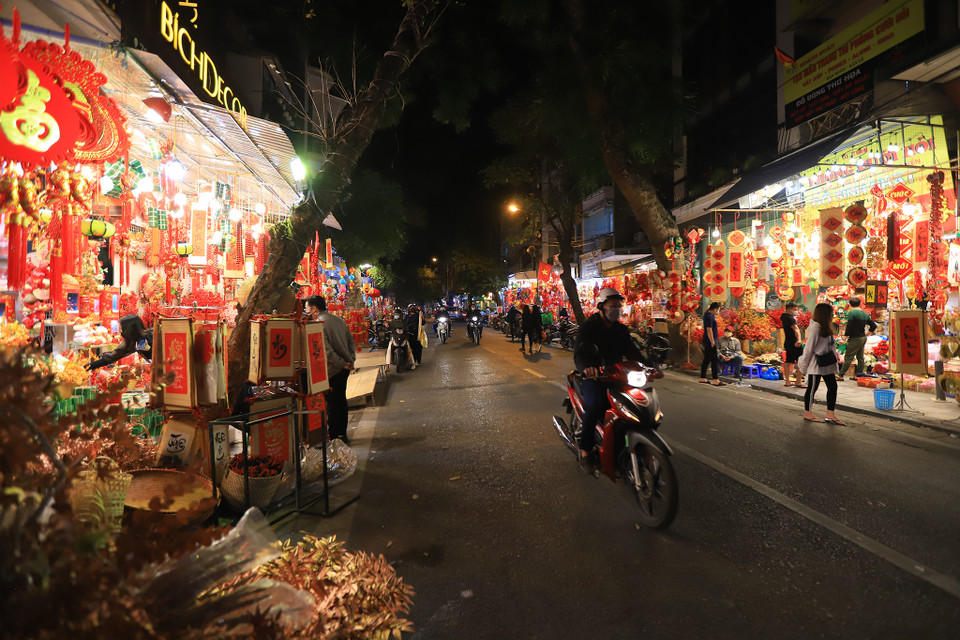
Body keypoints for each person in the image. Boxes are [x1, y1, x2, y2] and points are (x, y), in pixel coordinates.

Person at [573, 288, 645, 470]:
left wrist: (649, 367)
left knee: (635, 405)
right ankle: (585, 451)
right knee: (596, 405)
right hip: (593, 377)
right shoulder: (588, 327)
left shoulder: (621, 329)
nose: (617, 310)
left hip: (617, 376)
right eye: (613, 306)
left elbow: (632, 352)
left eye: (619, 307)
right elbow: (579, 353)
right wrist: (586, 368)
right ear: (602, 307)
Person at [305, 295, 357, 444]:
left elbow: (326, 351)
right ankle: (342, 433)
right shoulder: (338, 320)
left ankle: (335, 437)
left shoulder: (319, 323)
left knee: (333, 404)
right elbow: (351, 341)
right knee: (341, 400)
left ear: (314, 308)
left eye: (308, 308)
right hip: (344, 368)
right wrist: (350, 360)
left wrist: (342, 363)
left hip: (333, 370)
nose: (307, 311)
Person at [798, 302, 845, 425]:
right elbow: (808, 348)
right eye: (831, 313)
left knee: (833, 386)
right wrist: (803, 366)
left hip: (827, 363)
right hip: (816, 363)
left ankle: (830, 413)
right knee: (813, 388)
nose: (833, 315)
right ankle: (808, 412)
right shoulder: (815, 328)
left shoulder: (825, 327)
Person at [85, 314, 153, 371]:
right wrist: (86, 368)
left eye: (121, 329)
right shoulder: (131, 341)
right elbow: (110, 358)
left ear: (129, 330)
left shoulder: (152, 335)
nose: (120, 332)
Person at [837, 297, 877, 381]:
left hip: (855, 338)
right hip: (862, 337)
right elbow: (873, 325)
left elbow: (849, 327)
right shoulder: (865, 314)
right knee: (860, 357)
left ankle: (840, 375)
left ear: (850, 304)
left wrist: (844, 338)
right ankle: (859, 375)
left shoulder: (852, 313)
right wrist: (867, 334)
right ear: (859, 303)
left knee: (849, 357)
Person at [781, 302, 806, 388]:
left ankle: (787, 381)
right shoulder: (790, 318)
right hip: (795, 343)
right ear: (789, 309)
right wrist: (799, 340)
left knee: (788, 361)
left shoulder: (783, 317)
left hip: (788, 342)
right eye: (795, 310)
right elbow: (796, 329)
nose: (797, 311)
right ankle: (798, 381)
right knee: (801, 361)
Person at [699, 302, 723, 386]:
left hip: (708, 341)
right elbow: (709, 330)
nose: (718, 311)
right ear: (715, 309)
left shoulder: (709, 316)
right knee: (714, 360)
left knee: (707, 359)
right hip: (709, 341)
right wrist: (712, 341)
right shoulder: (709, 317)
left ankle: (703, 377)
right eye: (718, 309)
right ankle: (715, 379)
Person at [403, 304, 424, 369]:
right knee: (410, 348)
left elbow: (423, 323)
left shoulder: (418, 316)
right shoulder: (407, 317)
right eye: (410, 308)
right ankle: (411, 361)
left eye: (412, 308)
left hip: (417, 334)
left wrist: (422, 317)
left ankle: (417, 360)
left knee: (417, 348)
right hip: (409, 334)